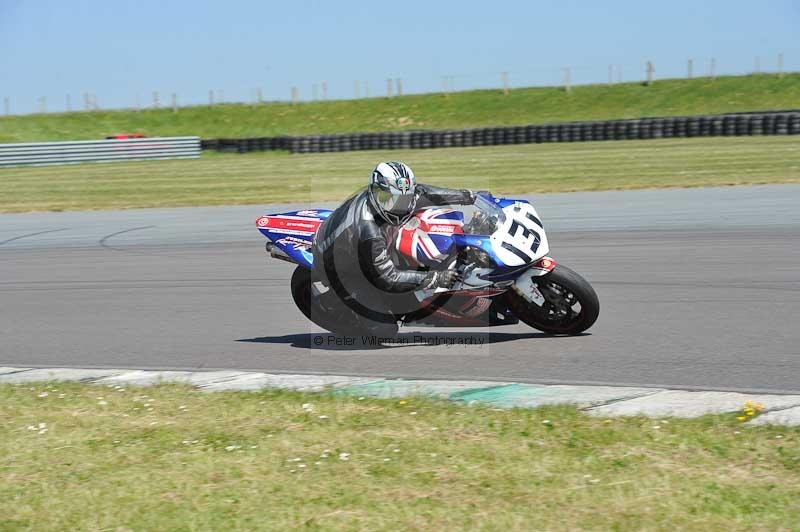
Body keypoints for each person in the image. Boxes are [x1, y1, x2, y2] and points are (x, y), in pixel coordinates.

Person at [311, 161, 475, 333]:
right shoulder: (369, 232)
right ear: (376, 192)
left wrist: (468, 196)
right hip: (342, 269)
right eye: (389, 199)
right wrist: (435, 278)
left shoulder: (393, 197)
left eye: (403, 199)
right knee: (385, 330)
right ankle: (333, 302)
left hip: (358, 247)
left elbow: (423, 192)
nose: (398, 205)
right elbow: (388, 277)